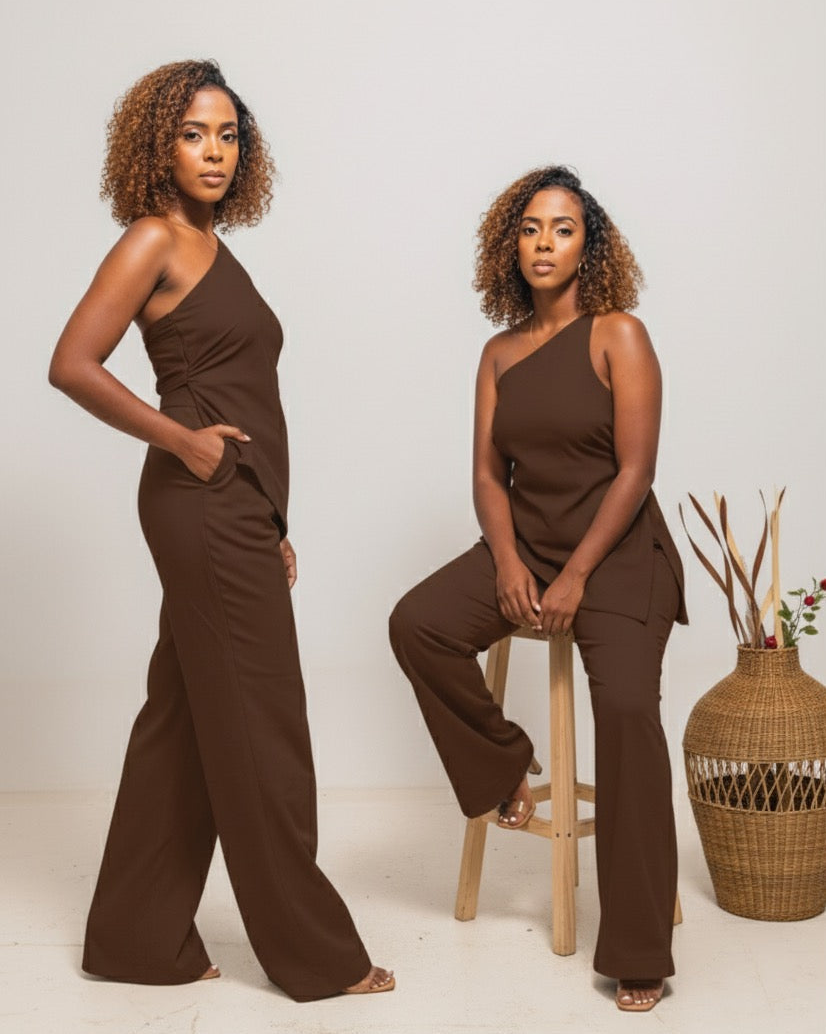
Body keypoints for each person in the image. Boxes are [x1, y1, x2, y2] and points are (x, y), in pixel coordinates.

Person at [49, 59, 393, 1001]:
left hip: (232, 509)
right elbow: (72, 362)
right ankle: (317, 956)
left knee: (184, 720)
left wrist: (267, 517)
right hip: (196, 501)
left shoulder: (212, 244)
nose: (215, 151)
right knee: (264, 724)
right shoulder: (152, 239)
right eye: (194, 133)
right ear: (157, 145)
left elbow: (241, 393)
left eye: (229, 135)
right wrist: (184, 443)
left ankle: (134, 937)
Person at [389, 165, 686, 1013]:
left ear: (588, 245)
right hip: (527, 544)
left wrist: (578, 572)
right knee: (416, 623)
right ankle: (505, 765)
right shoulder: (498, 353)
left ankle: (638, 949)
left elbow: (635, 471)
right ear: (509, 246)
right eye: (529, 228)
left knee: (625, 713)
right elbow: (489, 474)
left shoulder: (618, 334)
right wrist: (510, 562)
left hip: (618, 554)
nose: (544, 243)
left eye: (562, 228)